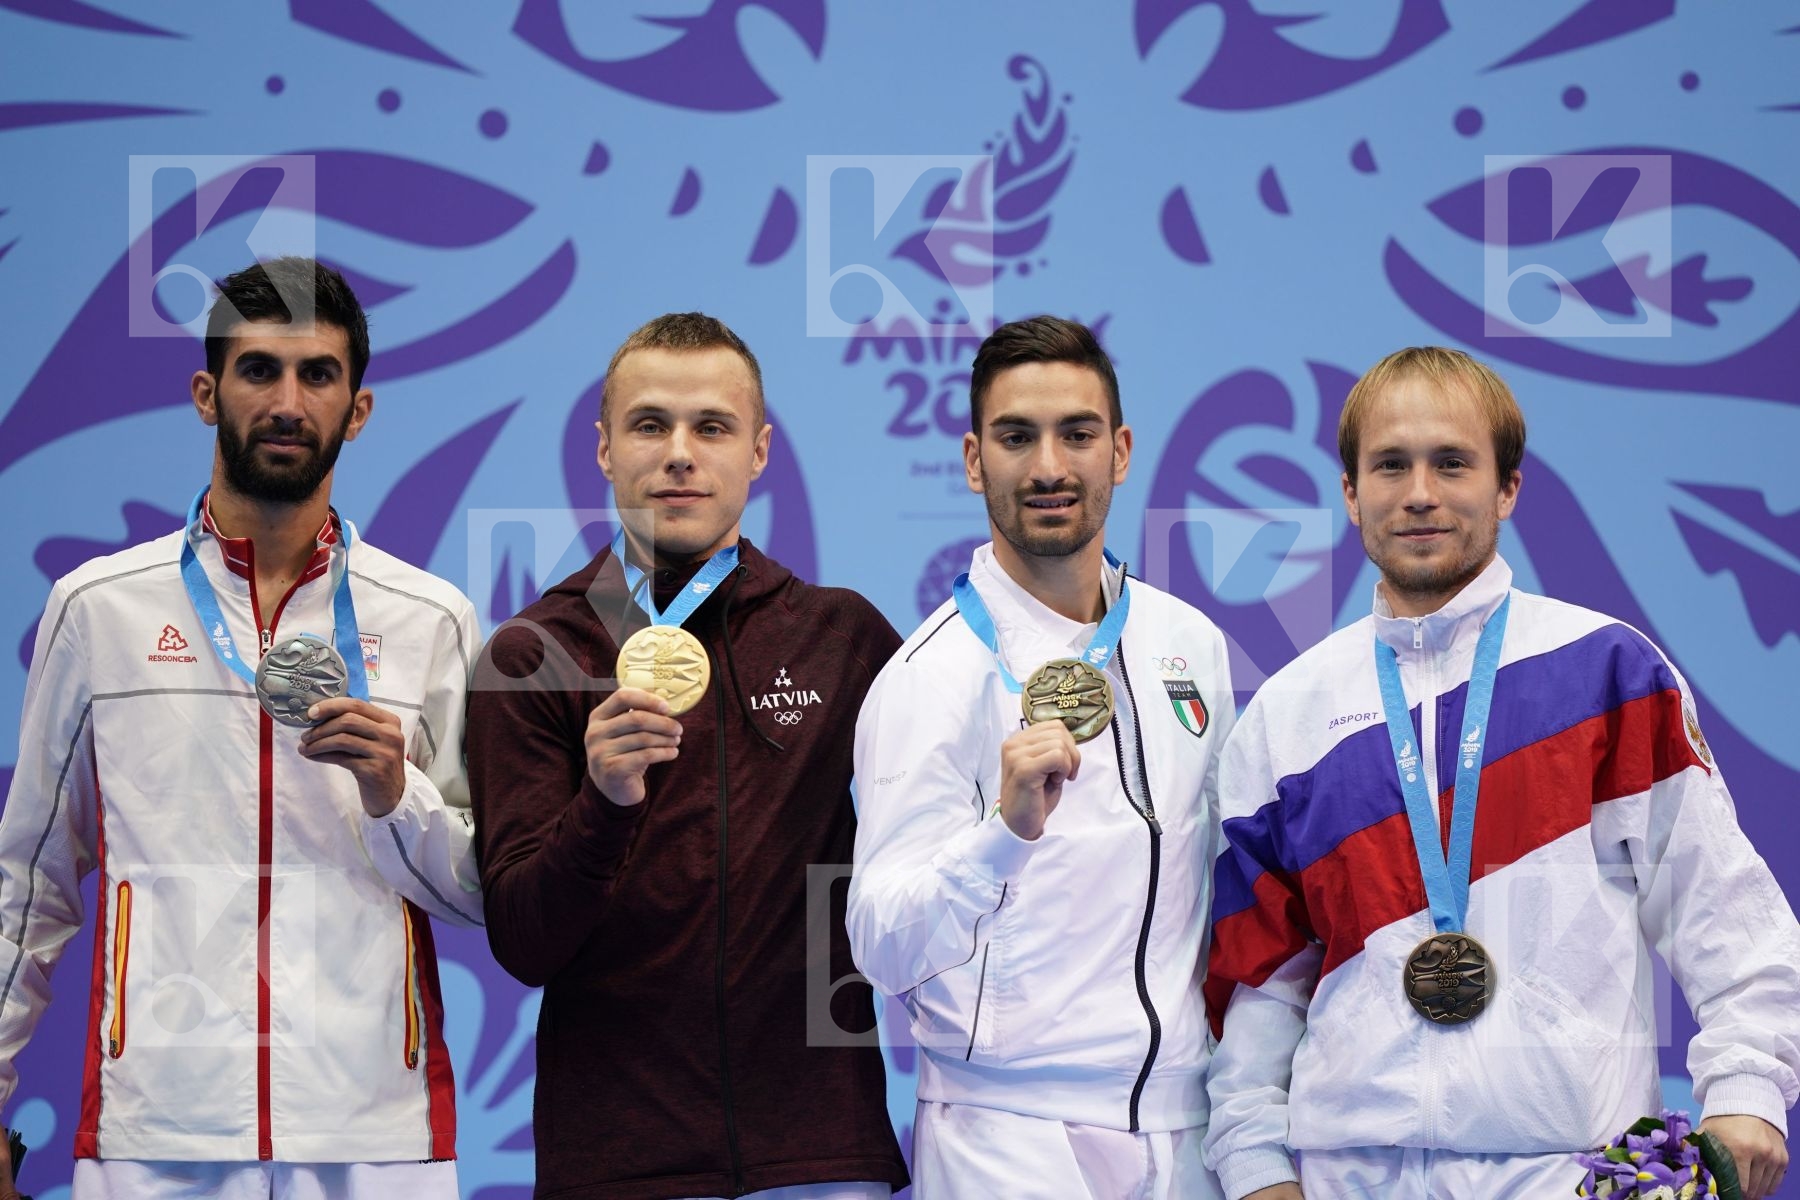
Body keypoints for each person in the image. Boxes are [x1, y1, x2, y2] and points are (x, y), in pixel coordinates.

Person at [1202, 346, 1800, 1200]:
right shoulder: (1288, 717)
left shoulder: (1607, 676)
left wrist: (1746, 1091)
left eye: (1452, 462)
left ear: (1507, 487)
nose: (1420, 492)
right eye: (1390, 465)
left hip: (1575, 1174)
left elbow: (1728, 915)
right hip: (1350, 1181)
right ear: (1349, 492)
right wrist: (1256, 1164)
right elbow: (1258, 986)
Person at [0, 257, 484, 1200]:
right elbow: (27, 881)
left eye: (319, 374)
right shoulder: (98, 609)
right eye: (259, 370)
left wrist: (400, 797)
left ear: (360, 407)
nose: (288, 401)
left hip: (377, 1136)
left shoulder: (433, 619)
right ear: (205, 392)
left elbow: (481, 891)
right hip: (155, 1130)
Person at [466, 313, 909, 1200]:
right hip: (620, 1161)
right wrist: (602, 801)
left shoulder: (841, 637)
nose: (679, 454)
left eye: (711, 427)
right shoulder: (530, 657)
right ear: (602, 449)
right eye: (649, 424)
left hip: (820, 1150)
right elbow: (521, 940)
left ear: (758, 451)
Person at [847, 316, 1236, 1198]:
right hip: (1007, 1138)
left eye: (1078, 434)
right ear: (975, 460)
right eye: (1017, 437)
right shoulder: (928, 677)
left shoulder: (1190, 645)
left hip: (1185, 1129)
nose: (1051, 467)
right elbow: (879, 942)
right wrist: (1002, 835)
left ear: (1122, 450)